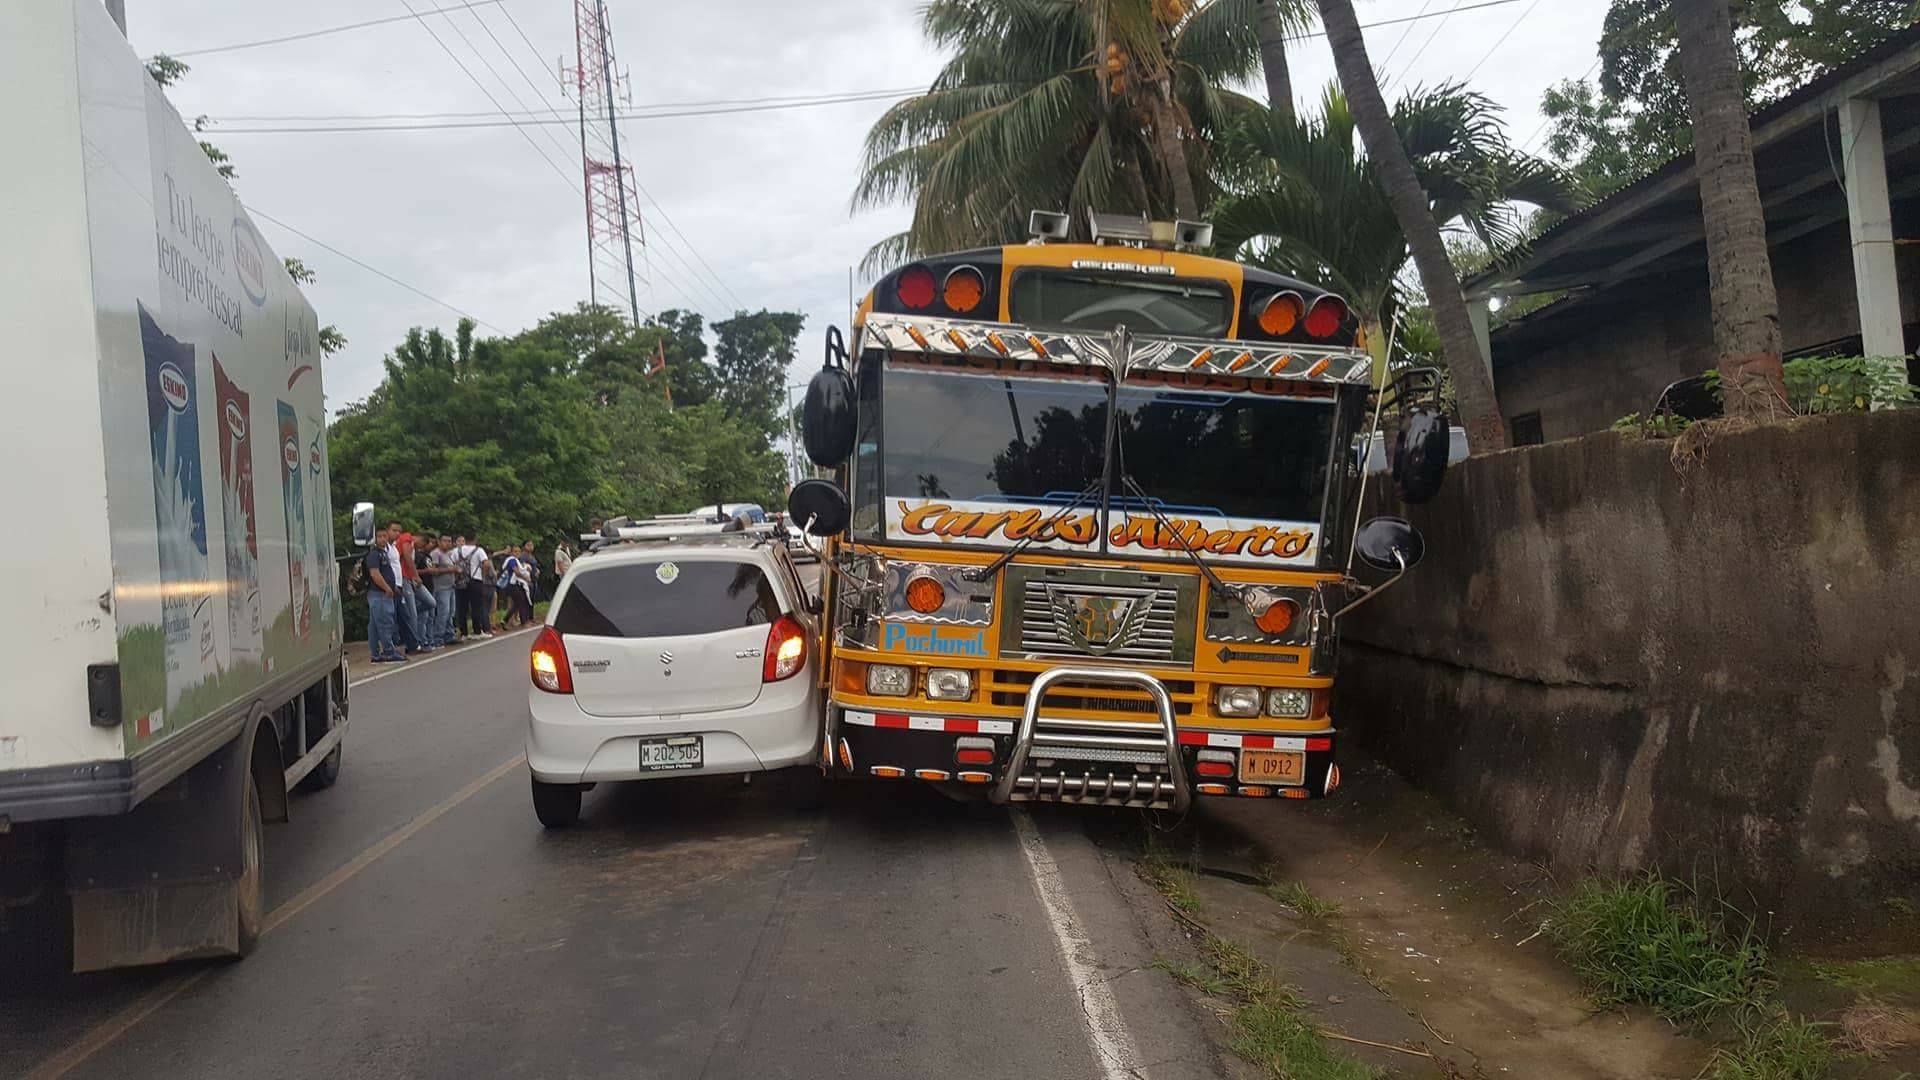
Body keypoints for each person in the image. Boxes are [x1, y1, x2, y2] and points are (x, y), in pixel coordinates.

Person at [364, 526, 405, 663]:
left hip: (383, 593)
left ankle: (376, 654)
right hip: (379, 593)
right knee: (385, 623)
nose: (382, 539)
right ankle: (388, 651)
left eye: (384, 536)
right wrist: (387, 588)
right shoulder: (374, 554)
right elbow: (375, 574)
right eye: (379, 536)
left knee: (375, 625)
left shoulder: (384, 553)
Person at [427, 534, 460, 644]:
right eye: (445, 541)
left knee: (451, 612)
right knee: (443, 612)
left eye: (449, 541)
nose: (447, 543)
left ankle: (449, 634)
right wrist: (449, 570)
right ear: (439, 542)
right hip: (441, 588)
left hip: (450, 586)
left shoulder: (449, 554)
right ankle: (438, 637)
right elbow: (433, 570)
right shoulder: (436, 554)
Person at [466, 539, 497, 636]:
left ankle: (483, 627)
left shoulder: (473, 560)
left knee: (480, 607)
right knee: (485, 608)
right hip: (486, 585)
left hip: (477, 583)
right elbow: (492, 574)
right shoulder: (487, 562)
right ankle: (486, 627)